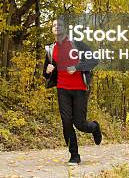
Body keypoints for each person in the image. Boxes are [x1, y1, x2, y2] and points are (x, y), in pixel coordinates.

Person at [43, 18, 102, 165]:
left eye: (59, 25)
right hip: (62, 88)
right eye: (54, 25)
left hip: (79, 89)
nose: (56, 27)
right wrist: (47, 70)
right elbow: (47, 72)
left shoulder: (76, 44)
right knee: (66, 122)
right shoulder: (51, 49)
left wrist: (77, 67)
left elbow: (94, 59)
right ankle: (74, 155)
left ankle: (94, 127)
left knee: (80, 123)